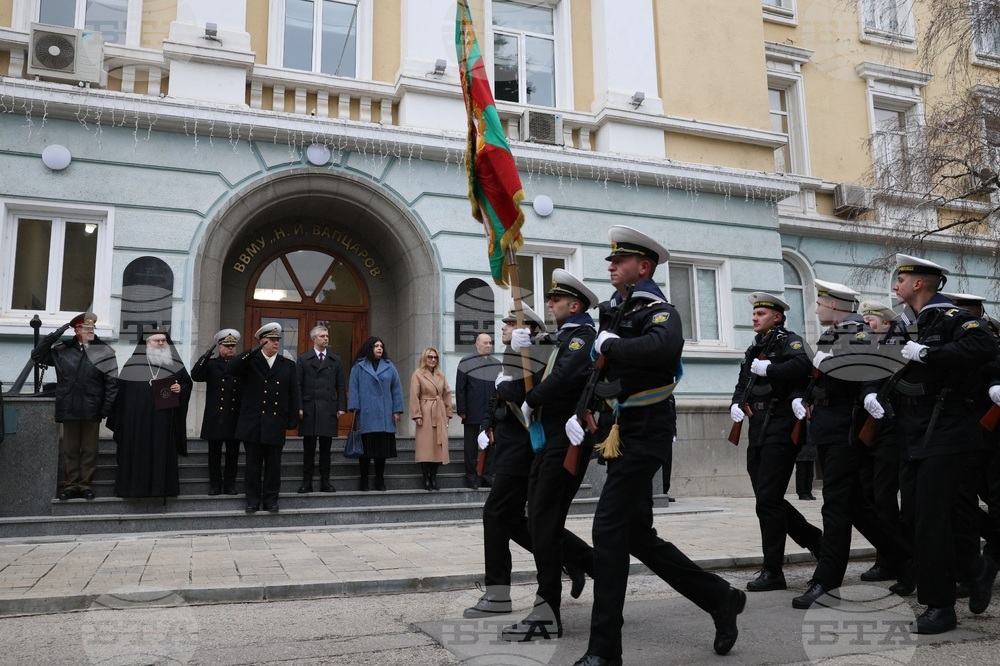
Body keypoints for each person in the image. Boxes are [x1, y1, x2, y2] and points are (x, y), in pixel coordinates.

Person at [569, 227, 745, 666]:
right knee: (636, 536)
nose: (610, 265)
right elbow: (604, 372)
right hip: (620, 430)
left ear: (643, 267)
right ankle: (720, 598)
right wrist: (585, 410)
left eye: (619, 260)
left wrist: (616, 345)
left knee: (607, 530)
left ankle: (604, 650)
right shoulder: (615, 310)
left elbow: (664, 348)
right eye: (611, 260)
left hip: (647, 431)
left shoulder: (659, 309)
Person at [863, 254, 997, 633]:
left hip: (947, 426)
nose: (895, 286)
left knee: (929, 519)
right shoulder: (904, 324)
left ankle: (940, 607)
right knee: (935, 513)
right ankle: (975, 567)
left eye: (900, 279)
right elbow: (881, 364)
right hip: (911, 428)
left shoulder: (952, 317)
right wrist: (871, 393)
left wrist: (929, 353)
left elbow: (985, 347)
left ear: (918, 283)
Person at [790, 280, 912, 609]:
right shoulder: (836, 331)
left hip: (844, 430)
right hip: (828, 428)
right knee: (857, 507)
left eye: (820, 301)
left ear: (835, 305)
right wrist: (803, 399)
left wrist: (831, 368)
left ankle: (826, 583)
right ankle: (908, 563)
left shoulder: (856, 330)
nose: (816, 306)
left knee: (836, 507)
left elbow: (861, 369)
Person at [464, 304, 588, 618]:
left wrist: (512, 370)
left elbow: (523, 391)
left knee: (498, 514)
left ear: (527, 329)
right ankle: (576, 559)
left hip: (524, 446)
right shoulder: (515, 353)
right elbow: (499, 399)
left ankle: (498, 594)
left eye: (509, 324)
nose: (503, 329)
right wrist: (484, 428)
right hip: (507, 444)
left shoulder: (537, 352)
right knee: (517, 520)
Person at [499, 269, 599, 643]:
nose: (550, 305)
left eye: (556, 300)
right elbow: (543, 354)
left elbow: (564, 375)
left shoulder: (584, 335)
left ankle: (549, 611)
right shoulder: (564, 335)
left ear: (574, 305)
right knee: (542, 522)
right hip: (551, 439)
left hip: (567, 439)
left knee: (543, 520)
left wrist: (526, 397)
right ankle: (575, 585)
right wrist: (522, 342)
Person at [730, 292, 821, 593]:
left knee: (768, 499)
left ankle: (773, 570)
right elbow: (744, 381)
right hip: (757, 427)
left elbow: (804, 366)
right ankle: (817, 543)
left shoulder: (788, 342)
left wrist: (769, 368)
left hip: (780, 425)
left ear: (777, 317)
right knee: (767, 500)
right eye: (754, 312)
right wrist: (735, 402)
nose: (755, 317)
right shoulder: (754, 347)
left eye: (761, 313)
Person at [31, 312, 118, 501]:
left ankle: (85, 485)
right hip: (69, 405)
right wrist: (54, 335)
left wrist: (106, 408)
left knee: (90, 450)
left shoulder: (104, 352)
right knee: (70, 449)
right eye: (86, 328)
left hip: (92, 407)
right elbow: (37, 355)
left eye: (92, 328)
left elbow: (112, 383)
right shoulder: (62, 350)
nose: (90, 331)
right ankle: (71, 486)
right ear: (76, 330)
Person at [856, 299, 906, 583]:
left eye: (871, 321)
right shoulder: (869, 348)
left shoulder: (896, 346)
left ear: (886, 324)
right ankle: (890, 555)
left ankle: (890, 561)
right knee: (870, 495)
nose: (865, 325)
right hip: (872, 430)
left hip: (892, 430)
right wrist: (868, 394)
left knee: (885, 498)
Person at [109, 329, 192, 498]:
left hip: (164, 422)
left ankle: (162, 489)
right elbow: (121, 395)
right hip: (137, 424)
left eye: (164, 340)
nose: (161, 343)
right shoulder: (132, 364)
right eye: (157, 340)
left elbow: (187, 383)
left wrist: (180, 388)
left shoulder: (174, 363)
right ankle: (134, 489)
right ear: (147, 343)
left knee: (161, 453)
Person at [228, 322, 300, 513]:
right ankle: (252, 500)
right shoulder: (250, 362)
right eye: (272, 340)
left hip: (275, 423)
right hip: (252, 422)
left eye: (278, 340)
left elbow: (294, 394)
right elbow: (231, 368)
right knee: (252, 465)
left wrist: (293, 419)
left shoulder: (287, 365)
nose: (276, 343)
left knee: (273, 465)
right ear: (262, 342)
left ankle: (271, 500)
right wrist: (252, 351)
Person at [191, 328, 243, 495]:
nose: (230, 349)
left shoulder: (240, 365)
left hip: (234, 416)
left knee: (232, 454)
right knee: (214, 454)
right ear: (219, 347)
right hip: (215, 416)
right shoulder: (212, 364)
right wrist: (205, 356)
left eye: (233, 346)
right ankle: (215, 485)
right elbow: (196, 375)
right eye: (226, 346)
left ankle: (230, 485)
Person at [348, 337, 404, 492]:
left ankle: (380, 479)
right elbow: (353, 388)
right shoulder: (359, 366)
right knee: (364, 451)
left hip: (385, 415)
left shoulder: (389, 366)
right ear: (369, 348)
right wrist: (354, 408)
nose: (379, 348)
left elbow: (396, 389)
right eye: (376, 346)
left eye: (381, 346)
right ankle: (364, 479)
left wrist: (397, 411)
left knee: (381, 452)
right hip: (366, 414)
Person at [296, 325, 347, 493]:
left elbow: (340, 385)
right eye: (322, 336)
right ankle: (307, 482)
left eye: (327, 335)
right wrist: (299, 407)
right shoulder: (303, 359)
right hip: (310, 408)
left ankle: (325, 481)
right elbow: (298, 385)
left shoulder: (335, 359)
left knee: (326, 449)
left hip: (328, 408)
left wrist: (341, 407)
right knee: (308, 449)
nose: (326, 338)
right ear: (314, 339)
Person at [455, 333, 501, 488]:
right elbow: (460, 388)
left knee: (491, 446)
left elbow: (499, 388)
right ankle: (471, 476)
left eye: (490, 343)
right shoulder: (466, 362)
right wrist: (462, 410)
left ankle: (487, 475)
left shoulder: (496, 363)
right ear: (477, 344)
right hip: (472, 411)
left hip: (491, 414)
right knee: (471, 447)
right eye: (485, 343)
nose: (489, 345)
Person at [411, 347, 453, 491]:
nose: (433, 360)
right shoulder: (418, 374)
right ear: (424, 358)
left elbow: (447, 394)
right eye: (430, 357)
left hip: (439, 411)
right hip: (426, 411)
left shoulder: (441, 375)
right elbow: (414, 395)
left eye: (435, 357)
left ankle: (434, 477)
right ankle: (426, 478)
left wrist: (448, 414)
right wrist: (417, 415)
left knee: (438, 446)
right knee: (426, 447)